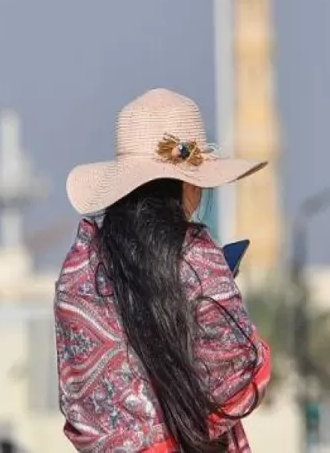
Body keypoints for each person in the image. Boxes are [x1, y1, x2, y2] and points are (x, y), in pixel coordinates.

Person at [54, 88, 272, 453]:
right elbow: (239, 381)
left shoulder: (78, 272)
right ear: (187, 184)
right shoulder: (195, 257)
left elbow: (81, 405)